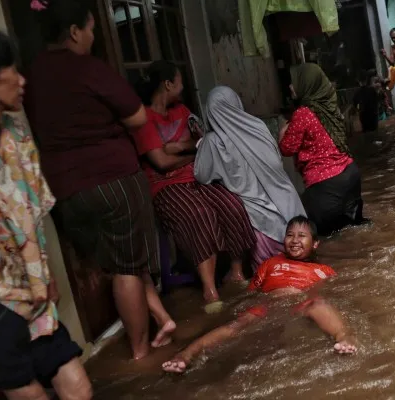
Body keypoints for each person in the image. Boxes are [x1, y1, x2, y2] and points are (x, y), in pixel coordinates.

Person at [24, 0, 175, 360]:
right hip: (113, 179)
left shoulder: (32, 74)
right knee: (127, 266)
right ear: (75, 32)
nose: (93, 37)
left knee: (117, 259)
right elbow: (138, 117)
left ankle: (162, 316)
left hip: (64, 188)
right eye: (91, 29)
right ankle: (141, 352)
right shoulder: (87, 68)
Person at [0, 24, 92, 399]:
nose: (22, 80)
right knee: (31, 395)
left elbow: (33, 213)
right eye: (12, 71)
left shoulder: (16, 137)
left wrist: (46, 274)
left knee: (78, 387)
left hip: (31, 292)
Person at [133, 62, 256, 314]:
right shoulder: (144, 119)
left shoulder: (181, 111)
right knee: (198, 214)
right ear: (168, 84)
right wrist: (192, 154)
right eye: (179, 82)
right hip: (165, 186)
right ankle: (209, 288)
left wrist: (179, 148)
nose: (183, 87)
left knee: (233, 203)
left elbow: (201, 141)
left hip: (196, 177)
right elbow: (161, 162)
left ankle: (236, 271)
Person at [161, 216, 357, 374]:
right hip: (268, 304)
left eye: (301, 236)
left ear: (315, 244)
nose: (295, 240)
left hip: (301, 303)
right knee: (236, 325)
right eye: (290, 235)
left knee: (320, 303)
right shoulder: (270, 263)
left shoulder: (324, 270)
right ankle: (185, 355)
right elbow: (252, 291)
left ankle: (344, 337)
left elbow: (332, 293)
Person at [194, 86, 307, 272]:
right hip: (292, 215)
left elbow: (202, 175)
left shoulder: (213, 142)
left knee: (272, 282)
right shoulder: (258, 127)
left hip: (262, 225)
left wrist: (200, 143)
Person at [279, 63, 367, 237]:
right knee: (353, 232)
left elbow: (287, 148)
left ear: (306, 84)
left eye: (295, 82)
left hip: (326, 182)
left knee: (323, 239)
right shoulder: (329, 107)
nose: (290, 87)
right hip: (349, 173)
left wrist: (282, 131)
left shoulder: (303, 113)